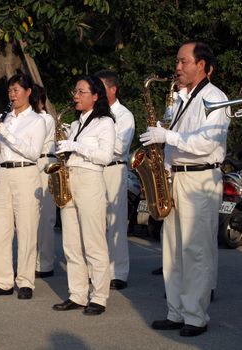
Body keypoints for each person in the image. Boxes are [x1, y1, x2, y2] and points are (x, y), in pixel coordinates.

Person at [140, 41, 229, 336]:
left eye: (183, 62)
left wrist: (169, 137)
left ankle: (195, 317)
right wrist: (162, 167)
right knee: (172, 250)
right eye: (178, 62)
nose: (177, 68)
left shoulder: (216, 98)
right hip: (176, 177)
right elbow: (173, 140)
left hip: (200, 179)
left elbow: (207, 143)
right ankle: (176, 312)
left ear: (201, 65)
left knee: (195, 251)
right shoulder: (180, 99)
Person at [52, 75, 115, 316]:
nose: (75, 96)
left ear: (96, 96)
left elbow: (105, 156)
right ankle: (77, 294)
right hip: (70, 178)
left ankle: (99, 296)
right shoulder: (77, 123)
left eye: (81, 92)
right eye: (75, 91)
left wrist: (76, 146)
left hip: (90, 180)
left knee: (94, 242)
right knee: (71, 243)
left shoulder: (105, 122)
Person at [0, 73, 46, 300]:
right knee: (0, 229)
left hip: (25, 173)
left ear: (28, 92)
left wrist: (7, 134)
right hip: (2, 174)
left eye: (17, 90)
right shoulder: (4, 119)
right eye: (10, 91)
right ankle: (3, 281)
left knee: (27, 229)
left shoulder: (37, 120)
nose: (13, 94)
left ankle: (26, 281)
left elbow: (33, 152)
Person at [95, 70, 135, 290]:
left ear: (113, 89)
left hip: (114, 169)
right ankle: (100, 270)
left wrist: (99, 140)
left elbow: (120, 146)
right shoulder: (95, 113)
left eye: (101, 87)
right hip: (95, 169)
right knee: (96, 222)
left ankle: (118, 272)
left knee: (115, 222)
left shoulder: (124, 115)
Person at [30, 84, 57, 278]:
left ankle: (45, 263)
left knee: (46, 217)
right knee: (31, 217)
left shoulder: (45, 118)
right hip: (31, 164)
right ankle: (31, 260)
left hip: (45, 162)